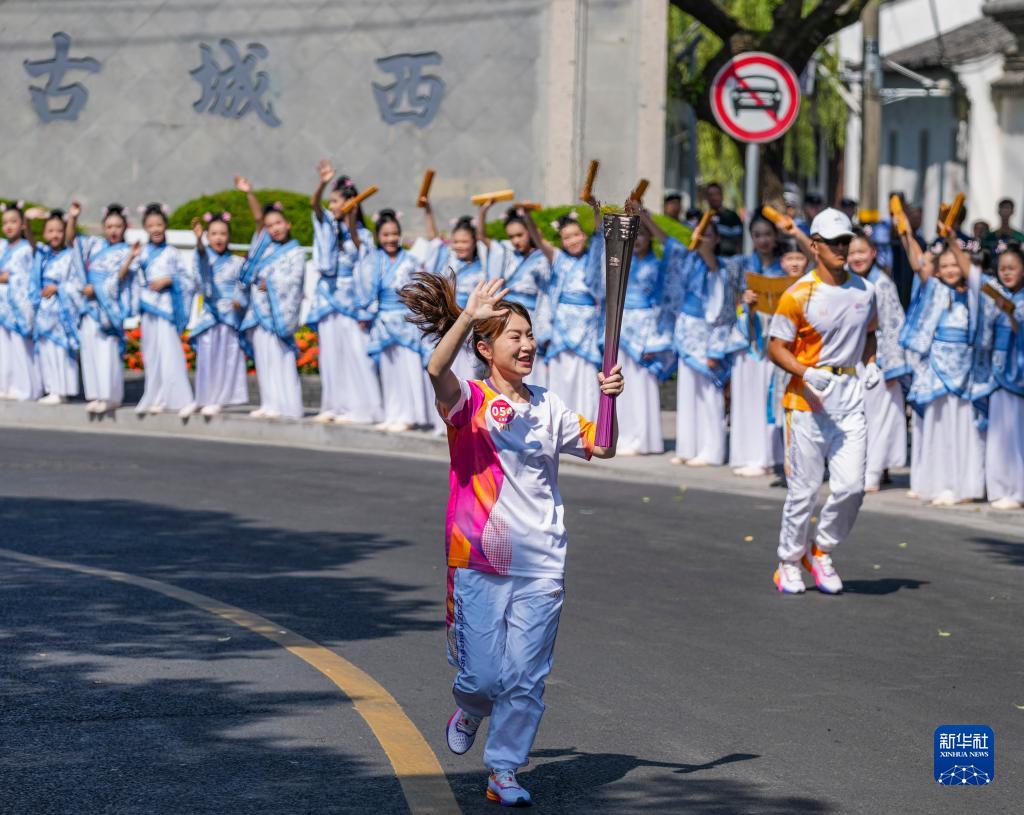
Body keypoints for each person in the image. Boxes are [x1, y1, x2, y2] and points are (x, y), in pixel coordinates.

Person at [398, 270, 623, 808]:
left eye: (530, 335)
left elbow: (603, 446)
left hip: (542, 559)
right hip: (479, 556)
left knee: (524, 676)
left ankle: (504, 769)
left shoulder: (549, 405)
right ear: (486, 348)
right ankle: (470, 708)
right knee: (482, 677)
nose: (527, 345)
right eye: (515, 336)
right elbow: (436, 369)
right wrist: (468, 316)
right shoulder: (469, 401)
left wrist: (609, 399)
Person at [767, 208, 879, 594]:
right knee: (804, 490)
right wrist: (805, 371)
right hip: (807, 402)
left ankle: (821, 550)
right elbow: (775, 346)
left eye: (845, 241)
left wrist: (870, 363)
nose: (841, 248)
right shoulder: (799, 294)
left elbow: (870, 333)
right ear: (815, 246)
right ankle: (788, 561)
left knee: (851, 488)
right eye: (833, 242)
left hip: (850, 400)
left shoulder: (866, 291)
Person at [898, 222, 985, 505]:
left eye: (954, 264)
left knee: (961, 427)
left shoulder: (974, 294)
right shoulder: (935, 290)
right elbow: (918, 264)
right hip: (936, 368)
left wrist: (952, 240)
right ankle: (937, 483)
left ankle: (962, 485)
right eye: (944, 265)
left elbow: (971, 273)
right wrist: (906, 234)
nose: (949, 269)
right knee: (937, 425)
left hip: (964, 371)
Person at [308, 161, 382, 424]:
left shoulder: (362, 234)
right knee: (330, 355)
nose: (331, 206)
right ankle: (333, 405)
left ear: (351, 203)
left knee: (355, 353)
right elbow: (315, 206)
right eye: (330, 201)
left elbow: (367, 266)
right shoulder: (327, 226)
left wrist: (366, 307)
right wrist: (322, 183)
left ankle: (360, 408)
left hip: (352, 301)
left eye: (336, 201)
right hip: (328, 297)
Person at [357, 208, 435, 432]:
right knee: (389, 370)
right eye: (385, 234)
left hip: (406, 320)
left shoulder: (411, 261)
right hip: (382, 321)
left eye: (394, 234)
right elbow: (366, 290)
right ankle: (392, 413)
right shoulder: (373, 261)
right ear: (378, 236)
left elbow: (421, 290)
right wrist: (366, 313)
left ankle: (410, 415)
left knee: (408, 368)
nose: (390, 239)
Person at [235, 179, 306, 421]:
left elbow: (295, 280)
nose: (274, 228)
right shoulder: (263, 248)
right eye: (269, 225)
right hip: (259, 311)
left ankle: (287, 405)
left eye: (278, 223)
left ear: (287, 224)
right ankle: (268, 402)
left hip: (279, 314)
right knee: (264, 359)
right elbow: (257, 221)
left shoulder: (296, 251)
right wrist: (249, 194)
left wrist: (272, 283)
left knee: (280, 358)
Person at [665, 219, 734, 466]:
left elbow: (722, 308)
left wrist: (716, 348)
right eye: (698, 234)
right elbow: (667, 243)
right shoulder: (688, 262)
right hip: (687, 334)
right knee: (687, 393)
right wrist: (644, 216)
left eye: (707, 235)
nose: (701, 238)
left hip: (709, 336)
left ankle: (712, 450)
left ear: (717, 239)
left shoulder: (722, 268)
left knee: (709, 395)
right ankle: (688, 447)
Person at [611, 208, 679, 454]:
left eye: (642, 233)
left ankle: (645, 439)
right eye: (633, 233)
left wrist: (654, 340)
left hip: (646, 330)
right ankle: (624, 436)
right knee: (622, 383)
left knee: (642, 384)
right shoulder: (620, 263)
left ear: (650, 237)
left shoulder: (658, 265)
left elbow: (663, 302)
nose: (637, 239)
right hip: (622, 328)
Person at [725, 214, 788, 477]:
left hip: (773, 341)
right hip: (747, 339)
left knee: (767, 399)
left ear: (776, 237)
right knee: (746, 398)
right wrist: (745, 303)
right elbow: (730, 306)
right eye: (758, 235)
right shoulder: (740, 265)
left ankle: (765, 457)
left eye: (768, 234)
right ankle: (745, 454)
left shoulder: (784, 267)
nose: (763, 240)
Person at [528, 201, 605, 418]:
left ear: (584, 235)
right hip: (562, 323)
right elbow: (538, 240)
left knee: (586, 378)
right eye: (567, 237)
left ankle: (587, 424)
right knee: (561, 376)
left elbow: (600, 234)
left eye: (576, 234)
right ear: (561, 241)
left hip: (587, 324)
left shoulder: (594, 258)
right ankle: (559, 422)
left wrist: (596, 210)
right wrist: (527, 217)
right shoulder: (558, 258)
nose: (573, 240)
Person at [847, 231, 910, 492]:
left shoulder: (882, 284)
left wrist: (892, 365)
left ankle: (873, 472)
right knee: (859, 418)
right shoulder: (848, 282)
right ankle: (864, 469)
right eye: (852, 252)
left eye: (861, 252)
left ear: (873, 253)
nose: (857, 257)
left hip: (880, 360)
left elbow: (894, 325)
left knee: (880, 418)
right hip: (854, 358)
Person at [68, 202, 134, 414]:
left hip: (109, 308)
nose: (113, 230)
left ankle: (110, 396)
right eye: (109, 226)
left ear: (125, 227)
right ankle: (96, 394)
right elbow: (72, 241)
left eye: (118, 226)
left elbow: (121, 278)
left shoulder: (127, 251)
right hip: (90, 307)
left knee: (108, 353)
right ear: (103, 227)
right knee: (90, 351)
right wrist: (73, 218)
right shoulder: (95, 245)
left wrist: (96, 289)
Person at [413, 196, 488, 382]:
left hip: (472, 324)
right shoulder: (446, 260)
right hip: (446, 321)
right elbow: (434, 239)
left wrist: (482, 213)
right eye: (455, 242)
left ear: (474, 242)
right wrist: (428, 210)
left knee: (470, 373)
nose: (459, 246)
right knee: (445, 370)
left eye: (464, 242)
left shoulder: (484, 265)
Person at [133, 203, 197, 417]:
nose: (155, 229)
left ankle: (176, 399)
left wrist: (169, 280)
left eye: (159, 224)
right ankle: (154, 396)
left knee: (170, 353)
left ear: (166, 225)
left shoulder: (172, 253)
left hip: (167, 309)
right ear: (145, 228)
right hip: (148, 308)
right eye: (151, 225)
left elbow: (188, 281)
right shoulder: (141, 253)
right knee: (151, 354)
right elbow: (131, 278)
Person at [973, 245, 1024, 509]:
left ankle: (1017, 489)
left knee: (1015, 432)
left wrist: (1010, 313)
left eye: (1012, 268)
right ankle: (999, 487)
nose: (1006, 273)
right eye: (1002, 268)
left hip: (1018, 370)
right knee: (998, 432)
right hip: (997, 367)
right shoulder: (998, 296)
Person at [480, 205, 552, 387]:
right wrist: (483, 212)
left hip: (532, 315)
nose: (516, 240)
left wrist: (528, 218)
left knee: (529, 355)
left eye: (520, 235)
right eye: (511, 236)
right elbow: (482, 237)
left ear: (530, 232)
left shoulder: (543, 256)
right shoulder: (507, 254)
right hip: (508, 312)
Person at [190, 212, 248, 417]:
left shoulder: (237, 262)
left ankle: (219, 399)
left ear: (229, 236)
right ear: (207, 236)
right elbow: (200, 264)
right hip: (210, 314)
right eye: (213, 233)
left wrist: (240, 300)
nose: (218, 238)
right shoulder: (203, 257)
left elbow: (245, 287)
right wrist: (198, 241)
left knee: (226, 358)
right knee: (206, 357)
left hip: (229, 316)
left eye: (223, 233)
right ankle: (202, 397)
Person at [33, 209, 85, 404]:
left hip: (62, 312)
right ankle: (52, 388)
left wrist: (58, 288)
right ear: (44, 233)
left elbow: (77, 283)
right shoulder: (44, 255)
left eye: (59, 231)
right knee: (47, 350)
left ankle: (62, 390)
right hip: (45, 310)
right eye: (50, 231)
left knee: (60, 351)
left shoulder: (71, 255)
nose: (55, 235)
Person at [0, 203, 41, 401]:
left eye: (13, 221)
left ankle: (25, 387)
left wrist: (10, 277)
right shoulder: (2, 247)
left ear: (22, 225)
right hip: (3, 305)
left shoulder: (26, 248)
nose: (9, 226)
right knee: (4, 347)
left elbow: (30, 276)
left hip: (19, 304)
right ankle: (6, 385)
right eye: (5, 222)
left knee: (20, 346)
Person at [705, 182, 742, 256]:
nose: (713, 198)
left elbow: (739, 242)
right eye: (710, 195)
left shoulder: (732, 216)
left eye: (716, 194)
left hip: (728, 259)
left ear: (722, 196)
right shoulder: (703, 218)